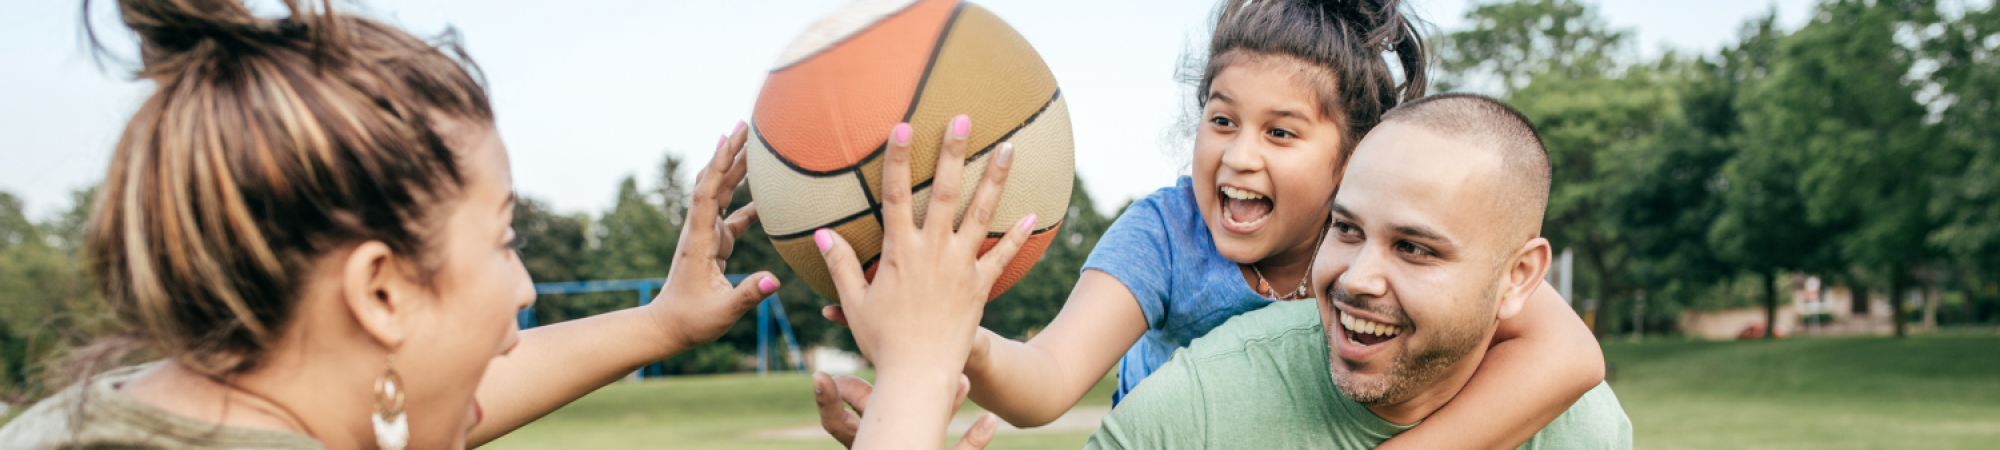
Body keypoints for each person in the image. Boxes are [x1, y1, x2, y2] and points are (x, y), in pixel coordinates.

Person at [0, 1, 788, 448]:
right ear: (379, 291)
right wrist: (915, 373)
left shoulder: (90, 419)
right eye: (502, 240)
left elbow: (417, 405)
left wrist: (665, 324)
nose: (523, 288)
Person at [817, 1, 1605, 448]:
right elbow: (1049, 382)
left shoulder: (1397, 250)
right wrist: (957, 338)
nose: (1238, 157)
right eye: (1221, 120)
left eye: (1282, 132)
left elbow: (1568, 352)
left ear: (1357, 157)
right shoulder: (1165, 233)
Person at [1084, 94, 1633, 448]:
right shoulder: (1198, 402)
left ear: (1518, 277)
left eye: (1415, 248)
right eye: (1346, 229)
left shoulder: (1581, 430)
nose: (1357, 279)